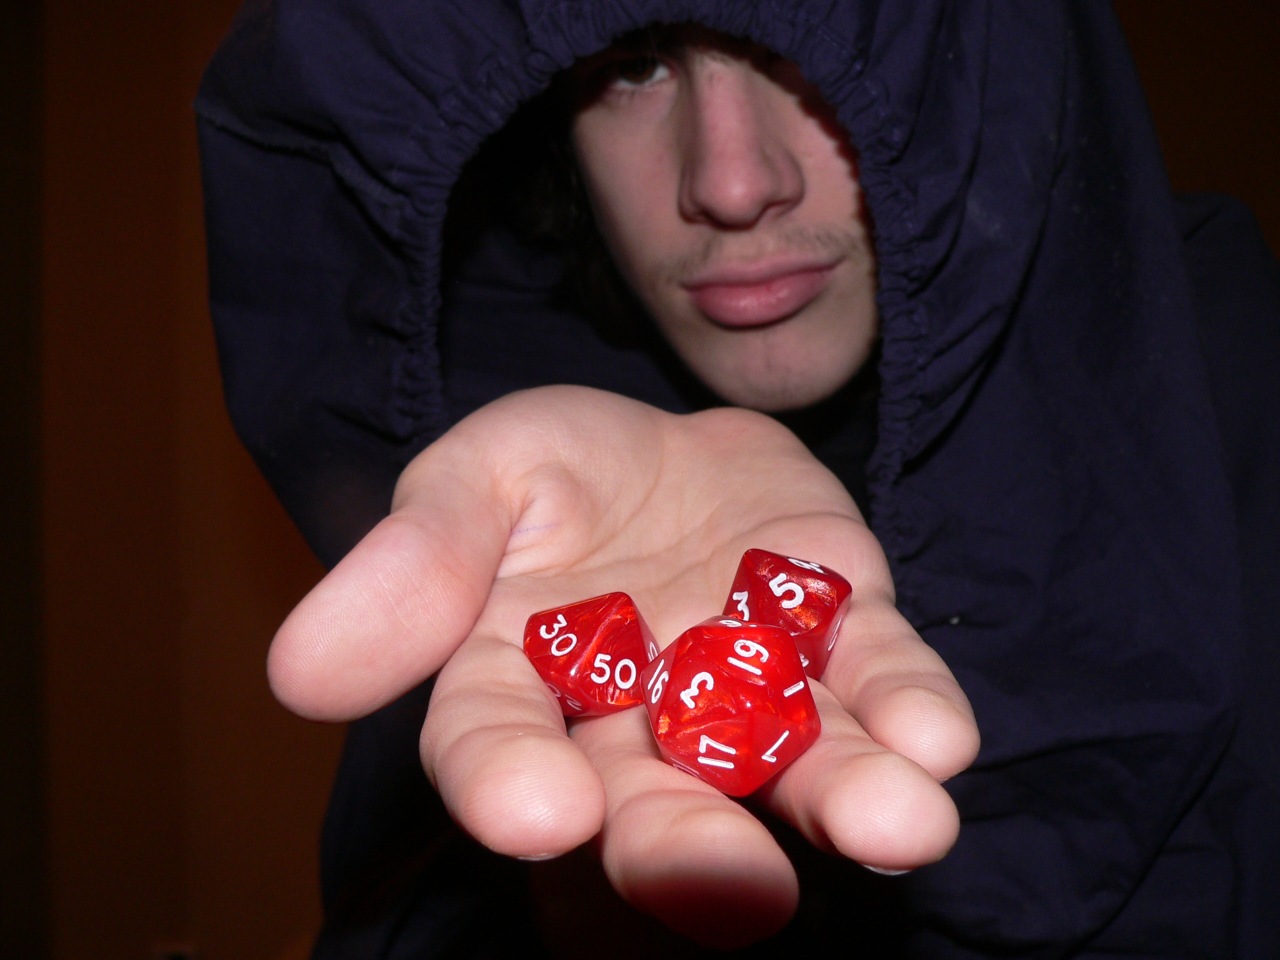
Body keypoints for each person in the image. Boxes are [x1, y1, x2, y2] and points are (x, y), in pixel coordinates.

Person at [196, 1, 1280, 956]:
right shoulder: (519, 527)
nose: (730, 183)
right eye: (632, 65)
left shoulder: (1226, 368)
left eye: (809, 30)